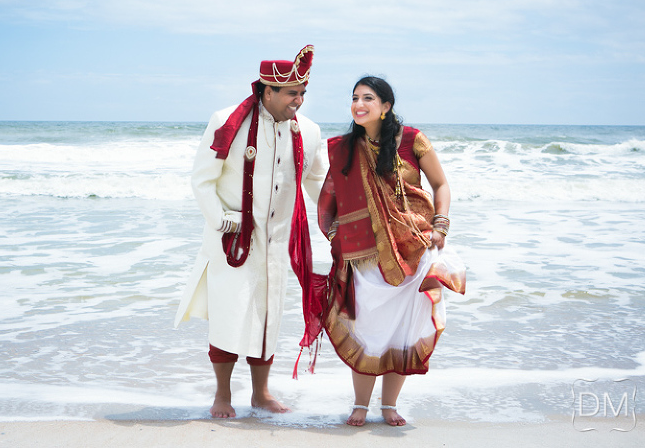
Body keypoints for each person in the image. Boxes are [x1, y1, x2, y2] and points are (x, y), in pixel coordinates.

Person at [174, 45, 327, 418]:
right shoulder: (227, 120)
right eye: (292, 93)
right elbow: (201, 179)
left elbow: (319, 182)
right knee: (229, 315)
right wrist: (221, 218)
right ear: (267, 89)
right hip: (233, 242)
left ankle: (260, 393)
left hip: (278, 244)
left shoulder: (308, 130)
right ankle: (222, 395)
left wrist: (341, 224)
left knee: (268, 317)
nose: (299, 100)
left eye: (303, 93)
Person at [317, 76, 466, 427]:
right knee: (368, 326)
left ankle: (388, 406)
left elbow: (441, 184)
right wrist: (338, 238)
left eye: (367, 98)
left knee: (402, 329)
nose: (358, 104)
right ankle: (360, 404)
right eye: (354, 98)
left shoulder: (413, 140)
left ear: (385, 106)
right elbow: (329, 202)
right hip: (366, 256)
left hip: (415, 250)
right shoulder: (345, 149)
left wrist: (442, 224)